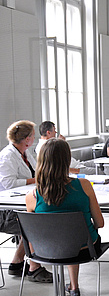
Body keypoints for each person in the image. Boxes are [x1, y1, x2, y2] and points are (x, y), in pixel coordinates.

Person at [26, 138, 104, 296]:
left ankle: (73, 285)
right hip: (84, 249)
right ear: (67, 160)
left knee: (63, 237)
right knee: (72, 236)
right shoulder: (84, 185)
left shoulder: (32, 196)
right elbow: (100, 223)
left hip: (45, 252)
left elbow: (31, 233)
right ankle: (74, 287)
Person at [0, 120, 52, 282]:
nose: (35, 138)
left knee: (41, 215)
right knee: (37, 223)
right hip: (6, 211)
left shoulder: (24, 153)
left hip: (22, 203)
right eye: (33, 136)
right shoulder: (8, 155)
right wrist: (33, 180)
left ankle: (16, 264)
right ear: (27, 138)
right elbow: (8, 184)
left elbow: (36, 173)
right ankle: (34, 268)